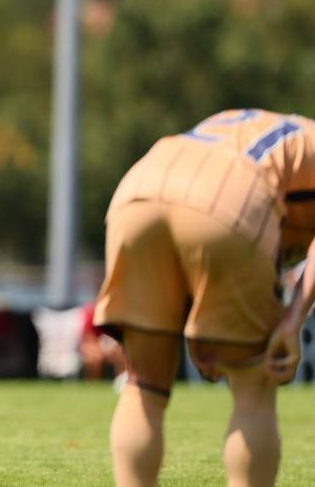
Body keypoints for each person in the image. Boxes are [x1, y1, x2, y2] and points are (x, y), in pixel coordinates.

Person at [93, 109, 315, 487]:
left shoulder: (251, 123)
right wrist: (293, 320)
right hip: (233, 191)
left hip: (141, 185)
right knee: (254, 387)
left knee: (143, 384)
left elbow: (184, 221)